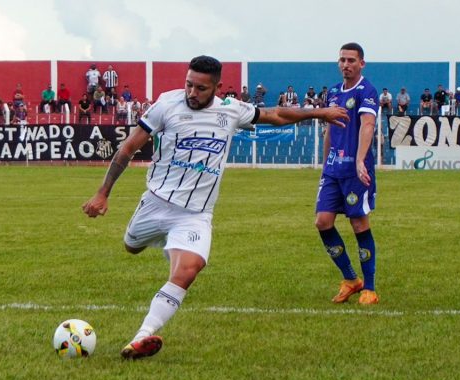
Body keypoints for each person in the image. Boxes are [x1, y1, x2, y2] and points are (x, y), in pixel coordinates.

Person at [81, 55, 348, 359]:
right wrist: (103, 192)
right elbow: (128, 148)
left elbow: (275, 115)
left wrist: (319, 113)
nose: (192, 93)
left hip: (195, 215)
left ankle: (142, 337)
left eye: (201, 88)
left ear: (217, 88)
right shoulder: (167, 104)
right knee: (131, 246)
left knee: (189, 269)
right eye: (189, 85)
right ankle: (158, 244)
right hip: (155, 204)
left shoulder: (230, 110)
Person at [316, 42, 379, 305]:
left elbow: (368, 125)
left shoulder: (367, 90)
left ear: (361, 63)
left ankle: (370, 289)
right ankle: (351, 279)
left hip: (356, 169)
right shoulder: (332, 93)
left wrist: (360, 160)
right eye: (342, 60)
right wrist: (324, 165)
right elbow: (330, 131)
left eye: (351, 60)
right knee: (323, 222)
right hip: (333, 169)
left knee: (358, 224)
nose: (346, 64)